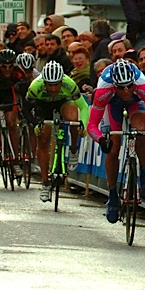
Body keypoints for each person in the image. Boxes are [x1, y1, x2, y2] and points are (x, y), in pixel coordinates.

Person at [87, 59, 145, 223]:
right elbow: (91, 125)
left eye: (129, 86)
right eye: (121, 87)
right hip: (112, 104)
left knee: (140, 129)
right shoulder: (104, 88)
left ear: (134, 83)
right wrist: (102, 141)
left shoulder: (143, 86)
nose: (125, 91)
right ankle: (112, 194)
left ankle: (144, 175)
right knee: (113, 148)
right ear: (114, 85)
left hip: (136, 103)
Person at [24, 61, 89, 202]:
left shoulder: (69, 84)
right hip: (43, 105)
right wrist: (35, 124)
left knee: (73, 117)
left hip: (63, 102)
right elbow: (26, 109)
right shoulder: (35, 86)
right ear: (44, 82)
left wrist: (83, 124)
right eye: (49, 84)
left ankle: (73, 149)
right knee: (43, 138)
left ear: (62, 81)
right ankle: (45, 183)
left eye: (56, 84)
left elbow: (84, 107)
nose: (53, 88)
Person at [0, 48, 31, 168]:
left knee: (11, 123)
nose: (8, 69)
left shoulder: (19, 72)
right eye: (4, 66)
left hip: (9, 93)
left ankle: (15, 158)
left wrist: (24, 109)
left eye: (10, 66)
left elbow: (24, 94)